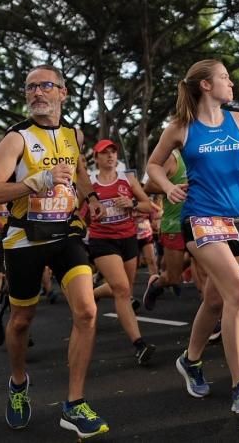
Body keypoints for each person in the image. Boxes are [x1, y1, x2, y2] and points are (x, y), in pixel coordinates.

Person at [0, 65, 109, 438]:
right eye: (30, 87)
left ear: (62, 93)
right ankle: (18, 383)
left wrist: (92, 196)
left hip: (65, 232)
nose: (36, 92)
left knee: (86, 310)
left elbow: (79, 170)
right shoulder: (16, 139)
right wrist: (32, 183)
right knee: (21, 321)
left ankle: (74, 403)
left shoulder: (73, 135)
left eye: (44, 86)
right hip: (24, 238)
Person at [147, 59, 239, 415]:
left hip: (238, 219)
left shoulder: (238, 121)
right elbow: (153, 165)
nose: (230, 84)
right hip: (201, 219)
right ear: (205, 85)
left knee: (216, 300)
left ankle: (191, 360)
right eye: (224, 78)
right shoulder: (181, 127)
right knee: (238, 293)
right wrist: (169, 187)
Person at [86, 138, 156, 366]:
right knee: (123, 290)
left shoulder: (128, 179)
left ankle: (93, 294)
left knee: (122, 287)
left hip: (128, 239)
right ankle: (140, 344)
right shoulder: (89, 183)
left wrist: (132, 204)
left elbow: (149, 206)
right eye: (104, 153)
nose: (110, 156)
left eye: (113, 152)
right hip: (102, 241)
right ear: (95, 158)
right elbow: (77, 211)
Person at [142, 151, 189, 310]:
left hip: (199, 222)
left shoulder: (203, 149)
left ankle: (215, 324)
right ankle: (156, 285)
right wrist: (171, 188)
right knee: (173, 278)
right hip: (174, 224)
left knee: (205, 275)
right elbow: (148, 186)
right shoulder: (171, 157)